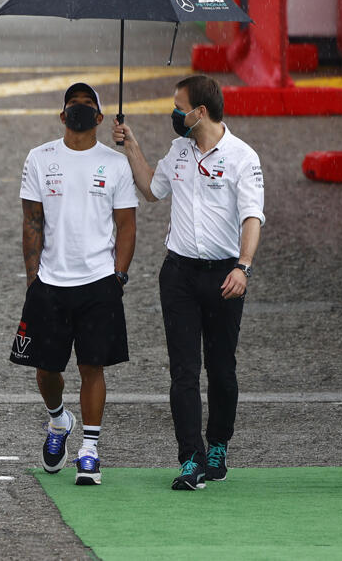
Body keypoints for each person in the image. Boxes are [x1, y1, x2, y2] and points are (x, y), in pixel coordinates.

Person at [112, 75, 264, 490]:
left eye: (179, 106)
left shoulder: (242, 158)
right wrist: (132, 147)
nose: (174, 112)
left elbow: (253, 217)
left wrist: (243, 267)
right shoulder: (179, 151)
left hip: (224, 276)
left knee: (221, 368)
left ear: (200, 112)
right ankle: (190, 459)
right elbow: (150, 190)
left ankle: (218, 444)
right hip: (178, 274)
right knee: (183, 372)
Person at [10, 82, 137, 486]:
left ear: (101, 118)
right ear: (62, 115)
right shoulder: (40, 158)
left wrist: (117, 276)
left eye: (87, 105)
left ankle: (90, 450)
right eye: (73, 105)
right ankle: (58, 421)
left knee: (91, 367)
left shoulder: (115, 164)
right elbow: (32, 221)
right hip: (50, 283)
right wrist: (34, 280)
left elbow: (127, 225)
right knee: (46, 372)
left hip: (99, 282)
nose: (79, 110)